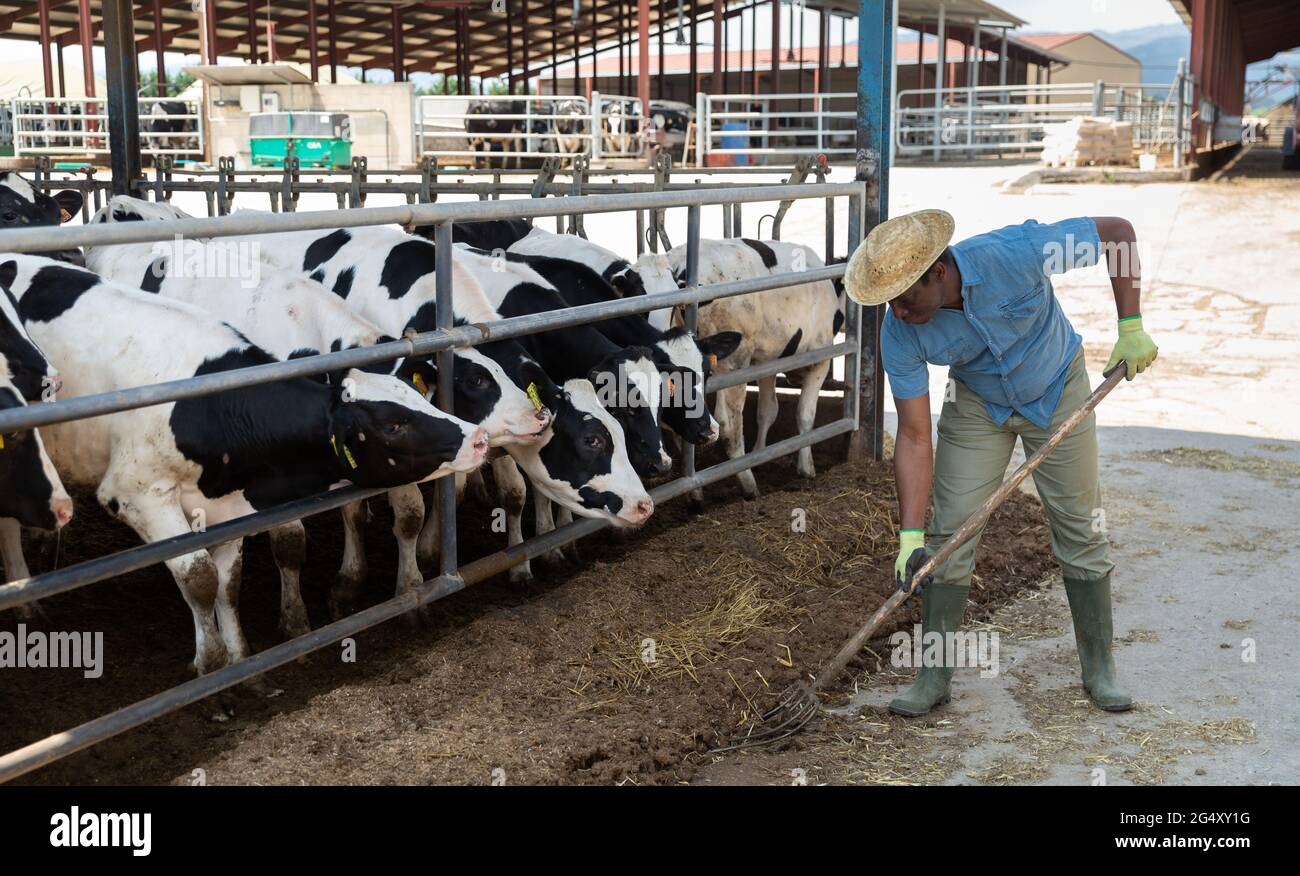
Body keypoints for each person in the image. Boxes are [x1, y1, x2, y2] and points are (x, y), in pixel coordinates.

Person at [843, 209, 1158, 716]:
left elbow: (1118, 232)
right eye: (889, 302)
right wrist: (908, 538)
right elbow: (916, 436)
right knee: (950, 536)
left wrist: (1132, 325)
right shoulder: (899, 333)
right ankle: (933, 677)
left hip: (1056, 389)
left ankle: (1100, 670)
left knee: (1080, 532)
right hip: (978, 406)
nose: (897, 313)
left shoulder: (1018, 252)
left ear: (939, 273)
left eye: (904, 298)